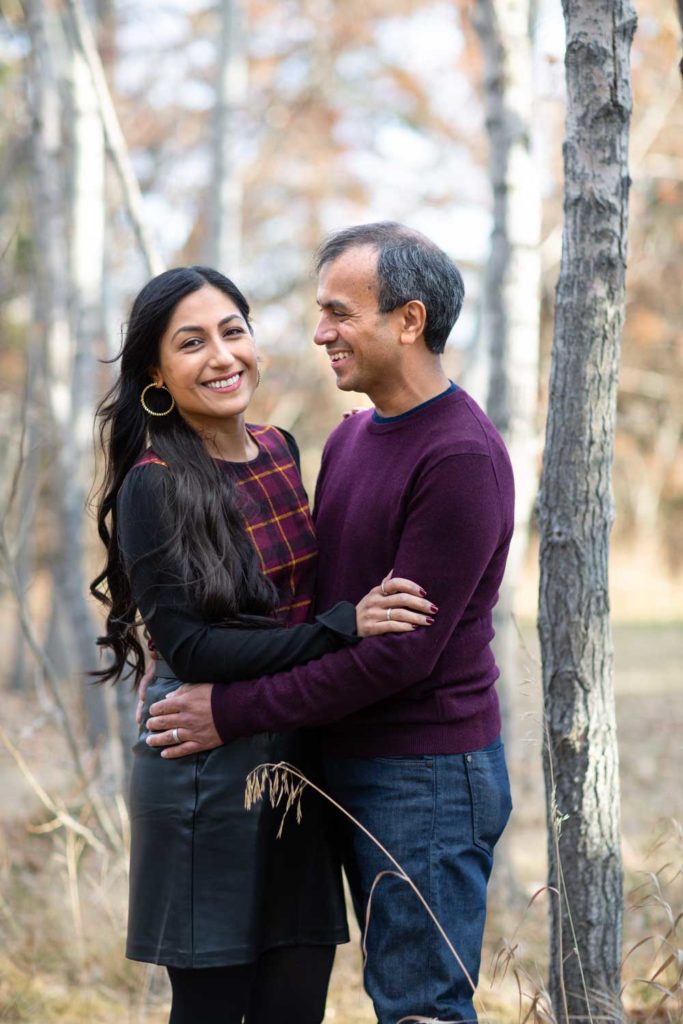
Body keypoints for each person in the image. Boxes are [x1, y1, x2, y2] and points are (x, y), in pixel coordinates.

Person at [146, 224, 515, 1023]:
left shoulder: (459, 457)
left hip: (425, 776)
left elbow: (398, 660)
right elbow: (320, 610)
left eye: (339, 313)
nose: (319, 333)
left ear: (408, 321)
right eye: (320, 313)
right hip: (331, 761)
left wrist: (229, 710)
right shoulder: (350, 438)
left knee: (421, 1006)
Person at [90, 264, 436, 1024]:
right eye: (191, 343)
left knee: (296, 995)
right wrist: (337, 629)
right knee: (214, 1004)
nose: (221, 357)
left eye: (232, 331)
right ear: (156, 372)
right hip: (202, 769)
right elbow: (192, 646)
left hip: (295, 765)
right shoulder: (155, 484)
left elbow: (299, 593)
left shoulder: (281, 449)